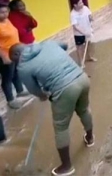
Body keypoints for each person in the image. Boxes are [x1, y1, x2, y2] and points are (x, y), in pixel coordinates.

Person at [9, 41, 94, 176]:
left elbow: (33, 89)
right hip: (82, 78)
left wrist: (43, 95)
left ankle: (67, 167)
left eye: (15, 60)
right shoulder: (47, 44)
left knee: (61, 127)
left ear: (17, 54)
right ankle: (90, 139)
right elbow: (65, 45)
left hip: (65, 89)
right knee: (83, 110)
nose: (16, 63)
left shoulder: (23, 67)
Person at [0, 3, 29, 109]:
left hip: (14, 52)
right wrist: (4, 57)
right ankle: (10, 100)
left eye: (6, 11)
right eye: (2, 12)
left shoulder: (7, 21)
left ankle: (20, 91)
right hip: (2, 55)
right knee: (7, 77)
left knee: (16, 72)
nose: (5, 14)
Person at [70, 0, 96, 66]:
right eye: (80, 3)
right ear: (75, 5)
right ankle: (81, 62)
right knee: (79, 48)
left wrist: (91, 18)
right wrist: (84, 33)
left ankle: (89, 57)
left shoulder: (85, 8)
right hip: (79, 34)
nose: (82, 4)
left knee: (89, 44)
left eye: (82, 2)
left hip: (87, 30)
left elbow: (89, 15)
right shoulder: (73, 14)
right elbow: (75, 26)